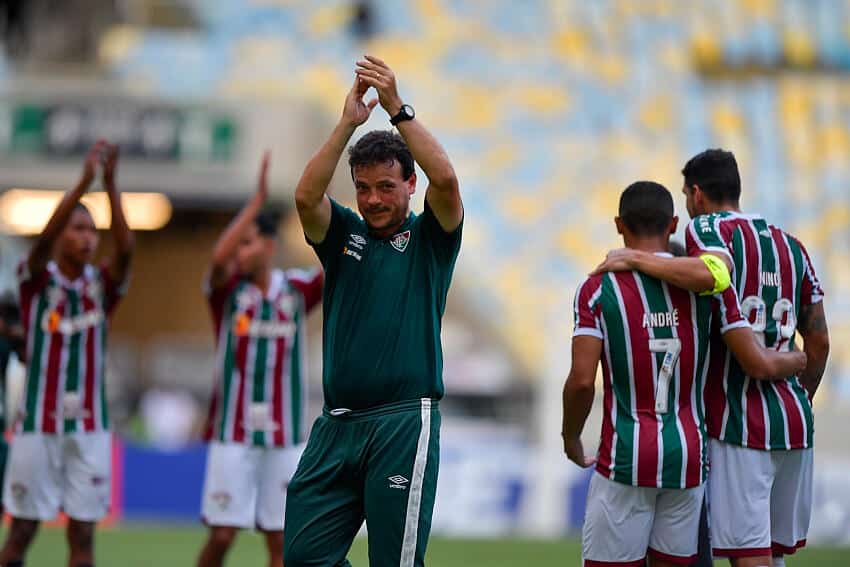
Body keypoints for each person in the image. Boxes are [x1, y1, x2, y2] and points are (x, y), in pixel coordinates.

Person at [592, 150, 830, 567]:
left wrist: (633, 257)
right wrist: (799, 394)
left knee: (747, 554)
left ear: (697, 194)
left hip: (739, 424)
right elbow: (820, 341)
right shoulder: (793, 246)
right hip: (794, 423)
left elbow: (712, 274)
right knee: (772, 555)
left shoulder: (707, 230)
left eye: (686, 195)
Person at [284, 55, 463, 567]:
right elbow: (305, 195)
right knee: (302, 559)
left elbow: (446, 180)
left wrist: (396, 109)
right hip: (336, 426)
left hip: (403, 421)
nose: (374, 199)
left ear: (411, 185)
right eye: (363, 188)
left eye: (387, 187)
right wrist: (348, 122)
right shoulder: (343, 234)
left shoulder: (431, 237)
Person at [0, 140, 134, 567]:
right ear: (59, 236)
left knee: (83, 534)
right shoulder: (35, 280)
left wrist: (111, 186)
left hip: (90, 429)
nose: (87, 239)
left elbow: (127, 251)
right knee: (21, 530)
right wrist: (82, 183)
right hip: (38, 425)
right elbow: (40, 245)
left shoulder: (101, 286)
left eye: (91, 232)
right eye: (77, 230)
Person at [196, 153, 323, 567]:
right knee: (222, 535)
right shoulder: (227, 292)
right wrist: (254, 203)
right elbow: (217, 260)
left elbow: (334, 262)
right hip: (232, 433)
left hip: (284, 435)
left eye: (247, 242)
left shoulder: (297, 290)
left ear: (270, 246)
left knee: (280, 540)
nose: (238, 252)